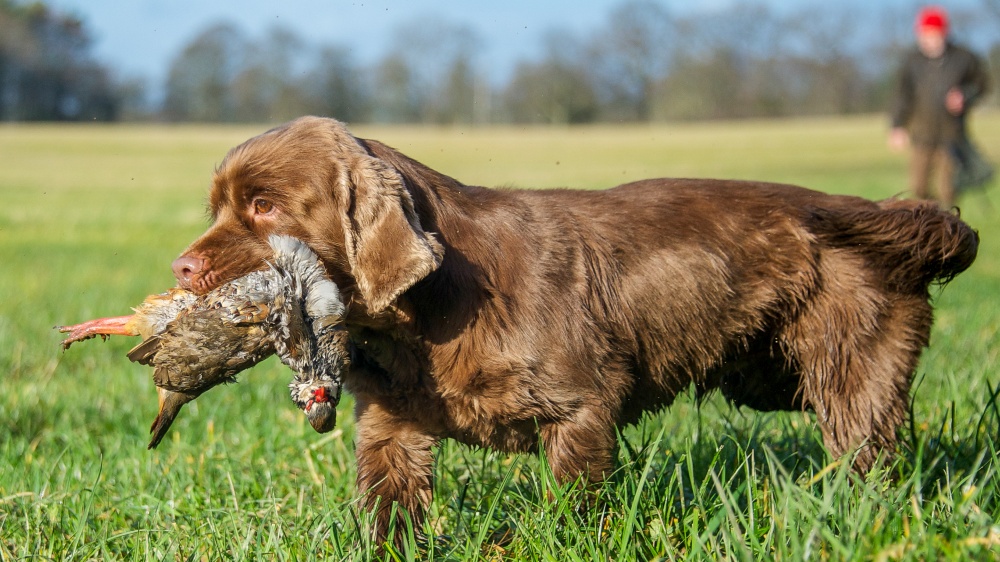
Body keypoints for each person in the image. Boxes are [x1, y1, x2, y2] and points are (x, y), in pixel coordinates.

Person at [888, 5, 992, 208]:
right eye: (924, 34)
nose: (929, 39)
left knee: (948, 188)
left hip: (951, 135)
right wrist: (897, 126)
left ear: (944, 33)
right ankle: (933, 223)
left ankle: (949, 229)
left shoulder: (963, 58)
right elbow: (902, 96)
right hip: (922, 134)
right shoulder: (912, 61)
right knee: (918, 187)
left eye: (933, 34)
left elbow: (982, 85)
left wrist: (965, 95)